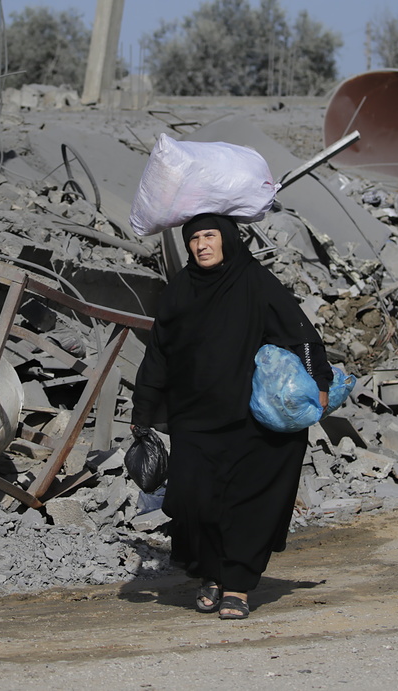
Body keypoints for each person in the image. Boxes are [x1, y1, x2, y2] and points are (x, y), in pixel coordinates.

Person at [131, 213, 330, 620]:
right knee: (196, 502)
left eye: (210, 236)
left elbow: (302, 334)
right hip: (194, 418)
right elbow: (159, 353)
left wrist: (319, 384)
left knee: (247, 503)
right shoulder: (180, 290)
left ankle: (236, 585)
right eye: (194, 239)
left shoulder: (255, 282)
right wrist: (144, 408)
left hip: (251, 422)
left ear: (228, 240)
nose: (202, 245)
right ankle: (211, 576)